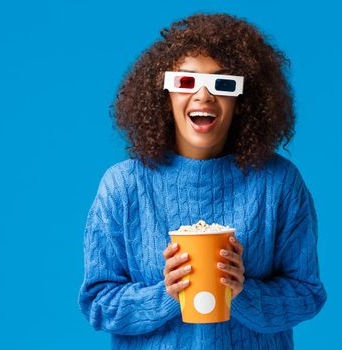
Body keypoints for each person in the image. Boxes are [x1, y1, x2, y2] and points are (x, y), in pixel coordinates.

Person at [78, 12, 327, 349]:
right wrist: (167, 294)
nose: (203, 96)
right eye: (186, 81)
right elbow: (98, 303)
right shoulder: (123, 186)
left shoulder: (278, 183)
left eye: (223, 84)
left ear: (242, 101)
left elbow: (307, 294)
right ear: (163, 94)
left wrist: (241, 292)